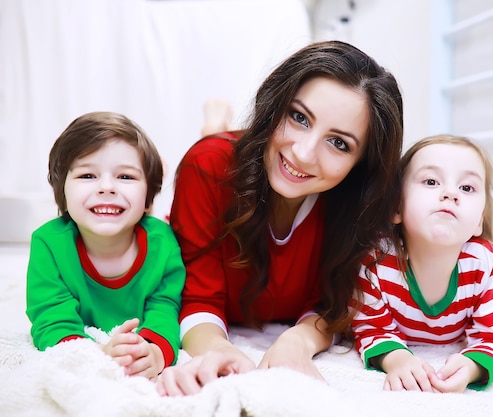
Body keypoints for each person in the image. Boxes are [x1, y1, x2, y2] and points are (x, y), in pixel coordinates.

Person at [156, 40, 404, 396]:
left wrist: (298, 342)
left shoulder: (354, 205)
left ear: (360, 164)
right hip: (227, 170)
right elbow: (198, 297)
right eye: (298, 117)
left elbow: (331, 305)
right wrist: (221, 351)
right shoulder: (206, 167)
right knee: (215, 148)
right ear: (275, 105)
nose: (304, 153)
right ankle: (215, 125)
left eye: (339, 143)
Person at [350, 134, 493, 393]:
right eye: (431, 181)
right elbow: (370, 329)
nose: (450, 193)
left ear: (479, 222)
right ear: (396, 207)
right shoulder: (376, 263)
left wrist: (472, 366)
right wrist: (398, 360)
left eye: (467, 188)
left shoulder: (484, 262)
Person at [26, 111, 186, 380]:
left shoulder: (163, 243)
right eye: (87, 175)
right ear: (61, 191)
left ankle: (211, 128)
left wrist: (155, 351)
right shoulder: (48, 243)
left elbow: (165, 307)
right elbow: (51, 318)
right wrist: (95, 352)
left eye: (125, 177)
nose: (107, 187)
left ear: (148, 197)